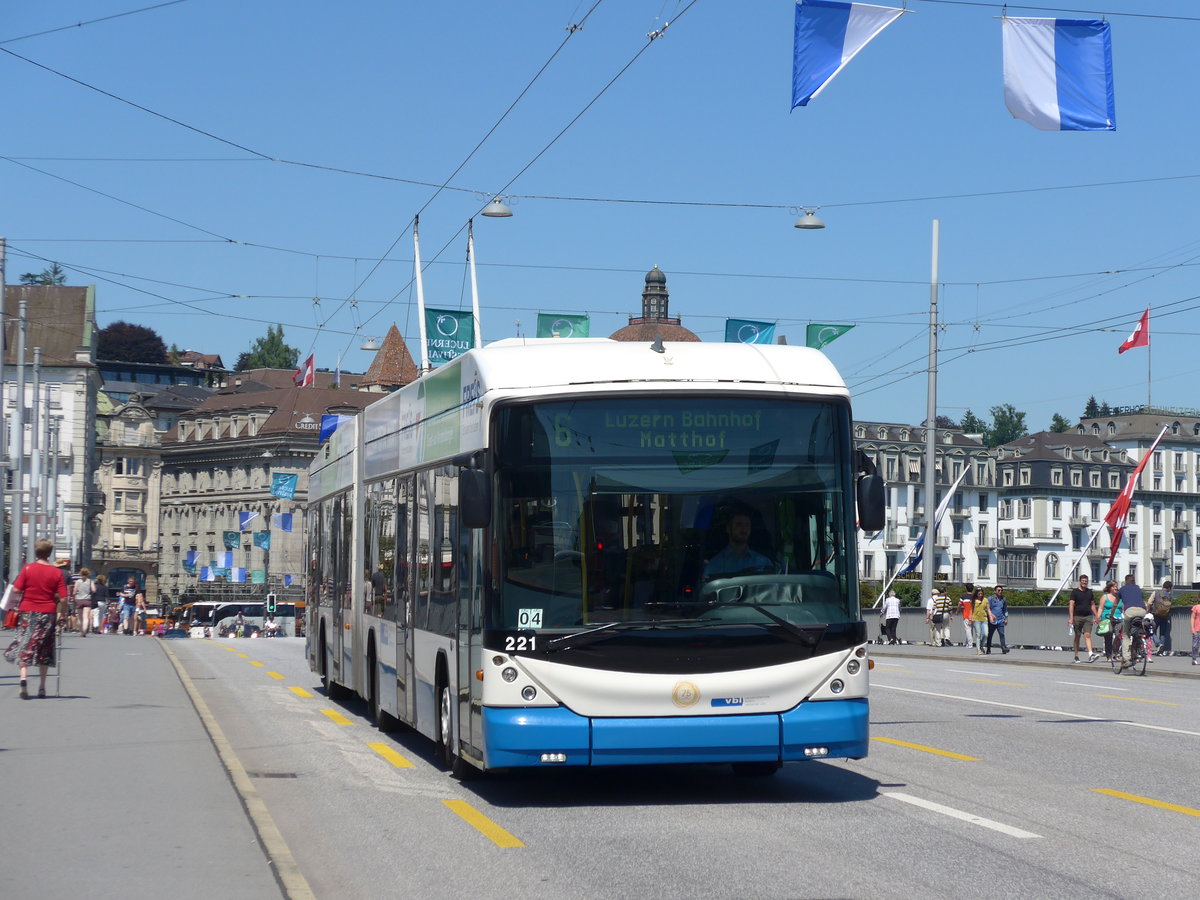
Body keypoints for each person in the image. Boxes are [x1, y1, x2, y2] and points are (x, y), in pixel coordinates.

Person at [3, 539, 68, 699]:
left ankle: (23, 677)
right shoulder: (56, 573)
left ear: (35, 552)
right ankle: (42, 687)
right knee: (45, 648)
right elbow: (65, 598)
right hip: (48, 613)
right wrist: (63, 614)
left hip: (27, 612)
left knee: (25, 643)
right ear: (50, 553)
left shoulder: (28, 568)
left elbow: (17, 589)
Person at [704, 510, 774, 578]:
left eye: (747, 525)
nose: (744, 529)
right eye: (739, 524)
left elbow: (772, 588)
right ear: (728, 529)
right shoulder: (714, 565)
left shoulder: (764, 563)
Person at [1117, 575, 1146, 671]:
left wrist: (1112, 614)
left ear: (1126, 581)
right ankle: (1138, 646)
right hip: (1142, 611)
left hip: (1129, 612)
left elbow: (1115, 604)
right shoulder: (1138, 588)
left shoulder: (1122, 589)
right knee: (1136, 630)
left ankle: (1127, 659)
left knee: (1125, 635)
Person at [1068, 574, 1098, 663]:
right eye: (1083, 581)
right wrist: (1071, 618)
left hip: (1088, 616)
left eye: (1086, 581)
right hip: (1077, 616)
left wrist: (1096, 615)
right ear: (1080, 581)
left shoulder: (1089, 592)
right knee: (1077, 636)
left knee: (1087, 635)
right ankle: (1076, 655)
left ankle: (1090, 654)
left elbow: (1092, 604)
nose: (1084, 582)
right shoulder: (1075, 592)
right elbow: (1071, 604)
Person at [1096, 580, 1121, 662]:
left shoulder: (1120, 597)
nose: (1116, 588)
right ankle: (1109, 655)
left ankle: (1116, 653)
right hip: (1107, 619)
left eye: (1116, 586)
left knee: (1118, 636)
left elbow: (1123, 608)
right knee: (1108, 637)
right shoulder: (1105, 597)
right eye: (1114, 586)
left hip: (1118, 618)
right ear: (1110, 588)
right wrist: (1098, 617)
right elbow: (1100, 608)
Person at [1149, 579, 1174, 656]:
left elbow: (1149, 602)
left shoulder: (1156, 592)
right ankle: (1161, 650)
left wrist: (1148, 611)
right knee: (1162, 633)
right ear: (1169, 588)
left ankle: (1158, 643)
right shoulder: (1169, 595)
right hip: (1165, 616)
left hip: (1155, 615)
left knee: (1151, 631)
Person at [986, 585, 1009, 654]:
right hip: (992, 620)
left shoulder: (1003, 599)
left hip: (1000, 620)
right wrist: (990, 616)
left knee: (1002, 634)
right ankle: (988, 648)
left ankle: (1003, 647)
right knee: (990, 635)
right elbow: (987, 608)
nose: (1000, 592)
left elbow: (1005, 609)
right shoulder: (990, 599)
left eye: (1001, 590)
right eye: (998, 590)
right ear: (995, 591)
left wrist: (1006, 618)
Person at [74, 567, 95, 637]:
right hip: (87, 599)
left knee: (80, 617)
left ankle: (81, 631)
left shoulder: (78, 581)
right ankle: (84, 631)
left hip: (79, 599)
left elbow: (74, 591)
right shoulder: (90, 581)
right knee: (86, 616)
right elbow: (94, 590)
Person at [970, 587, 989, 654]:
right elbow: (971, 610)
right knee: (978, 634)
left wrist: (991, 616)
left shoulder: (985, 600)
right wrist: (970, 619)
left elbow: (988, 609)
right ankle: (978, 650)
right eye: (979, 594)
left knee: (985, 634)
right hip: (976, 619)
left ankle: (981, 645)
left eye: (981, 593)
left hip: (984, 619)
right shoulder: (973, 601)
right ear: (976, 594)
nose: (980, 595)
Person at [959, 582, 975, 648]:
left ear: (966, 588)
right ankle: (967, 642)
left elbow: (959, 604)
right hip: (975, 615)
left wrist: (957, 611)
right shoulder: (975, 596)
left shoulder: (963, 597)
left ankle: (970, 643)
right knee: (971, 630)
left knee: (968, 629)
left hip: (966, 615)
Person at [1190, 597, 1200, 666]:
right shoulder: (1196, 607)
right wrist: (1192, 628)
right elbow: (1192, 618)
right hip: (1197, 629)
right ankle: (1194, 659)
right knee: (1195, 645)